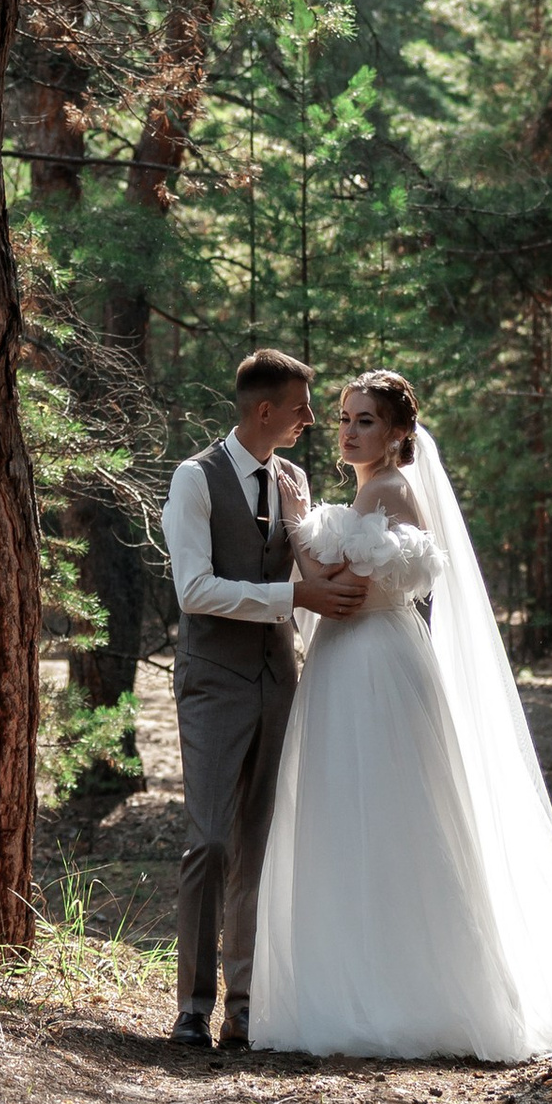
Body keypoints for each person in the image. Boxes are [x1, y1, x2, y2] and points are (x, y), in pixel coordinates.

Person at [252, 371, 552, 1061]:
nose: (348, 431)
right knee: (357, 816)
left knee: (387, 816)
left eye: (365, 420)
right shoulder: (376, 490)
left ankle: (399, 996)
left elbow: (349, 593)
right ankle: (366, 981)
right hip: (360, 661)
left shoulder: (389, 489)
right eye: (344, 418)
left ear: (400, 432)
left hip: (371, 661)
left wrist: (294, 520)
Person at [161, 348, 370, 1050]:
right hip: (213, 682)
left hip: (279, 681)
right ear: (264, 411)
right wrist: (294, 596)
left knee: (258, 844)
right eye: (302, 408)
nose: (312, 420)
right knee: (211, 842)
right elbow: (194, 590)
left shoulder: (293, 479)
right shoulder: (195, 480)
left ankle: (244, 1003)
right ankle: (192, 1003)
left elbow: (313, 565)